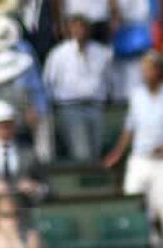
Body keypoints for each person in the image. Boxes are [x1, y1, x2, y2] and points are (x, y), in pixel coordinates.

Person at [103, 51, 163, 248]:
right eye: (143, 70)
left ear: (159, 71)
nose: (145, 74)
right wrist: (117, 152)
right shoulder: (137, 95)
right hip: (140, 159)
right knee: (133, 202)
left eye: (149, 69)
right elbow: (130, 127)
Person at [0, 14, 51, 162]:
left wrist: (30, 106)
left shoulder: (24, 48)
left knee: (41, 149)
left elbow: (27, 82)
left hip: (33, 102)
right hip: (0, 99)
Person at [43, 12, 112, 162]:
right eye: (75, 27)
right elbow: (49, 81)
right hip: (70, 107)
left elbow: (109, 80)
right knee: (82, 152)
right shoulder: (59, 54)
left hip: (95, 106)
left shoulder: (102, 53)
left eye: (83, 26)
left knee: (96, 150)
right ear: (69, 29)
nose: (79, 30)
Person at [0, 101, 48, 208]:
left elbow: (47, 188)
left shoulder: (30, 154)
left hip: (23, 213)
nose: (4, 130)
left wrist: (34, 188)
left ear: (14, 126)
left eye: (7, 126)